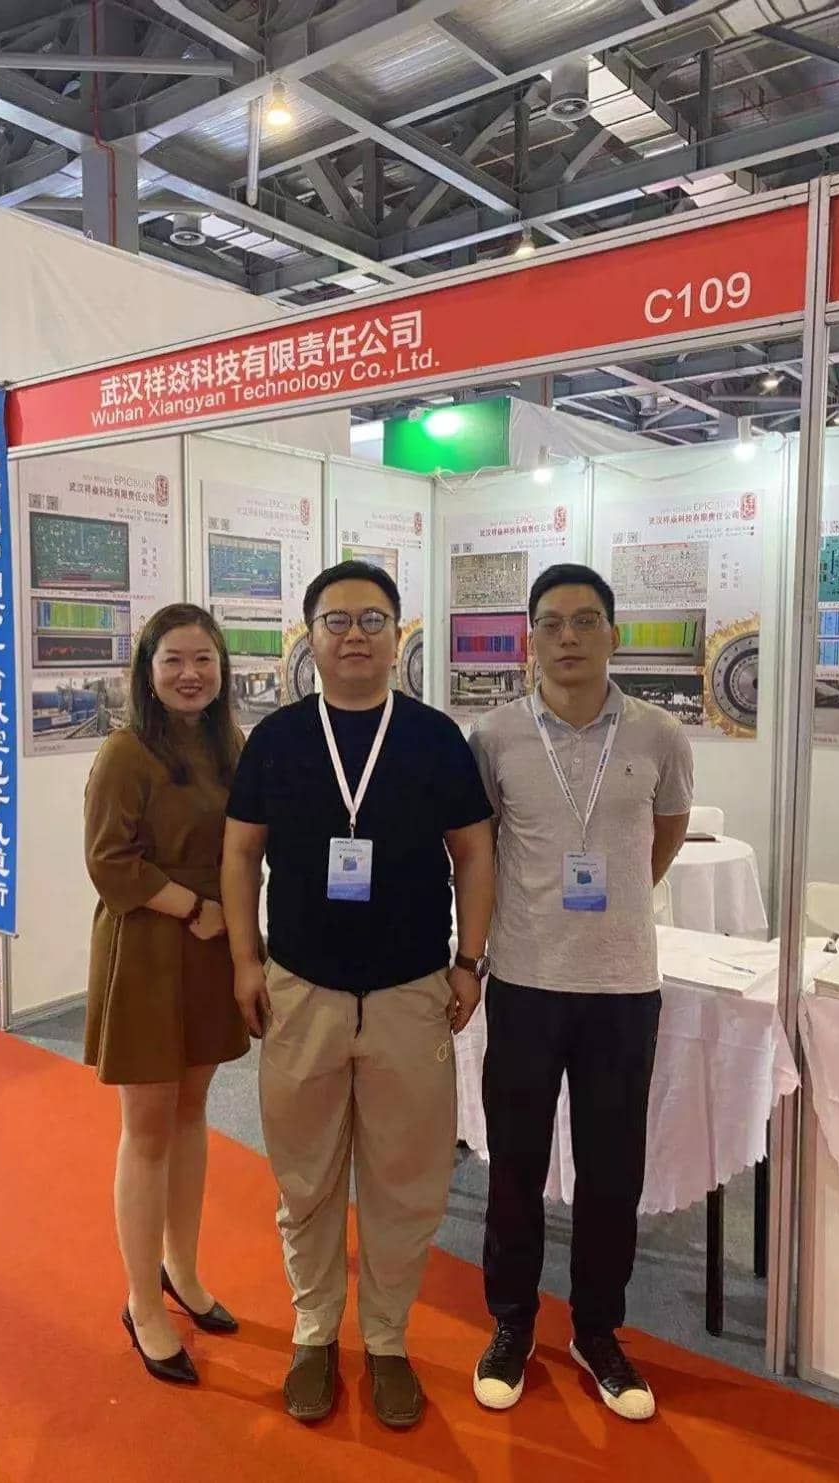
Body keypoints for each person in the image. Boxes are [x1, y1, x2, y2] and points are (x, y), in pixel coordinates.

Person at [221, 560, 494, 1430]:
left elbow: (474, 853)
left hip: (412, 992)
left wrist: (469, 960)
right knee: (304, 1173)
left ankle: (385, 1338)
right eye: (335, 620)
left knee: (405, 1178)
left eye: (372, 619)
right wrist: (245, 960)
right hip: (302, 988)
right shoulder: (276, 739)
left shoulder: (435, 737)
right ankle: (313, 1330)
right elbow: (240, 854)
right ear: (309, 635)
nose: (353, 635)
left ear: (396, 633)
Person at [468, 563, 693, 1423]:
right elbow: (481, 848)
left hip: (622, 987)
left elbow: (665, 833)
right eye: (552, 622)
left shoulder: (659, 734)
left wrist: (616, 906)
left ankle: (597, 1330)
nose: (568, 636)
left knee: (611, 1170)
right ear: (530, 638)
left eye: (586, 620)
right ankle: (511, 1322)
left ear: (614, 634)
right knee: (515, 1165)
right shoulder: (494, 736)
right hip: (525, 982)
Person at [83, 603, 250, 1387]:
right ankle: (141, 1299)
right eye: (174, 659)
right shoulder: (125, 751)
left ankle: (181, 1268)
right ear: (147, 671)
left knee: (191, 1112)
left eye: (204, 659)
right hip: (152, 945)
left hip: (210, 946)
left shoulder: (226, 744)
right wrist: (194, 908)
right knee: (148, 1127)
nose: (191, 673)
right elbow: (109, 861)